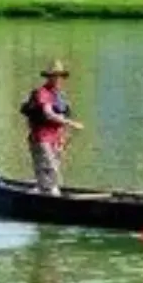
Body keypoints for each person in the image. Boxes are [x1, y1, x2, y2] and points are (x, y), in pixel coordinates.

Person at [21, 59, 83, 195]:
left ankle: (43, 192)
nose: (57, 79)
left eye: (60, 76)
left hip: (54, 139)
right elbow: (48, 114)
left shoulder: (60, 95)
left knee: (51, 174)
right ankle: (47, 196)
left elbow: (60, 118)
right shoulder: (42, 92)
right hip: (41, 138)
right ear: (49, 77)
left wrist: (61, 138)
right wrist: (71, 123)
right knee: (50, 171)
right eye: (54, 75)